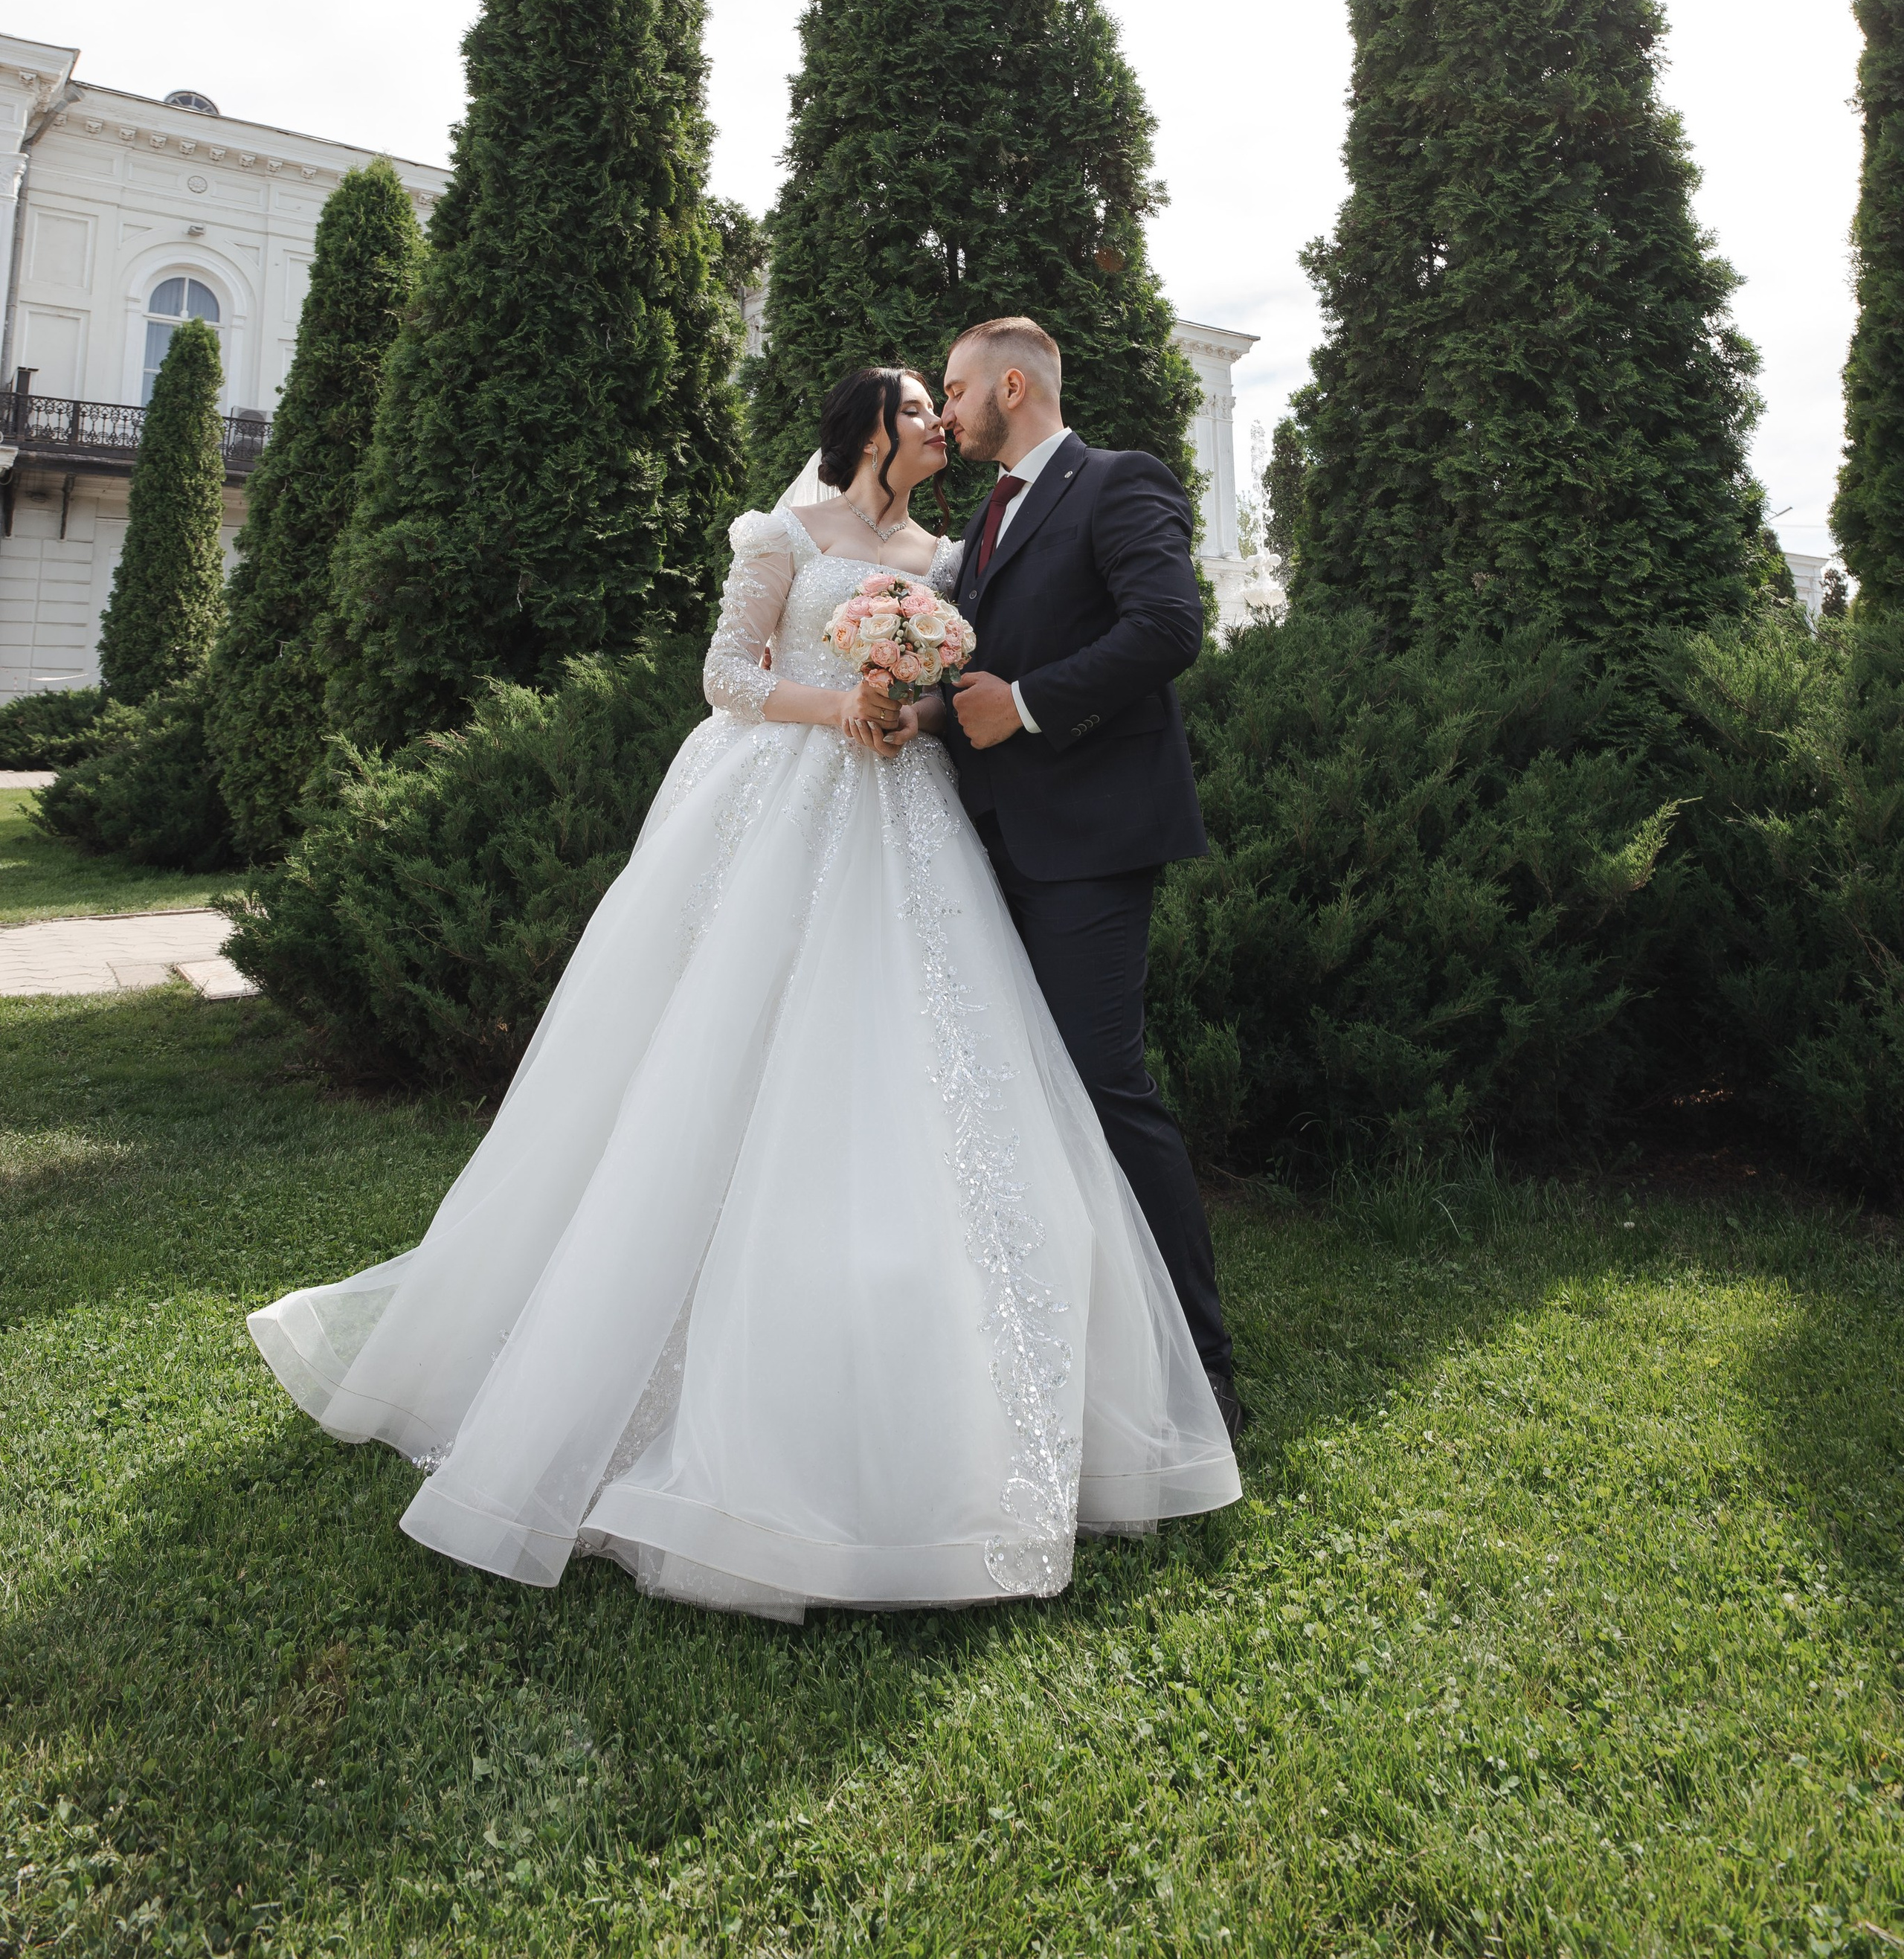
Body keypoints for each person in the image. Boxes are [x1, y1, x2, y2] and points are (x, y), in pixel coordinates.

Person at [248, 365, 1238, 1622]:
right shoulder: (784, 533)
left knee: (923, 1060)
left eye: (946, 402)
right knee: (731, 1055)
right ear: (870, 429)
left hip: (912, 814)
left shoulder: (950, 559)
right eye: (918, 408)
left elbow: (1004, 665)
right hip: (788, 799)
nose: (939, 422)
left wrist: (912, 707)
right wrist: (840, 706)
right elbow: (726, 674)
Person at [922, 315, 1244, 1441]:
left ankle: (1202, 1370)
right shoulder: (984, 518)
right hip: (988, 840)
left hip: (1093, 842)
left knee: (1107, 1089)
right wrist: (925, 710)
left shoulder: (1119, 482)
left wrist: (1026, 706)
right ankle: (1053, 1345)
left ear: (1012, 386)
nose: (946, 412)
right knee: (1014, 1094)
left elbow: (1168, 627)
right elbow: (976, 671)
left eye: (955, 389)